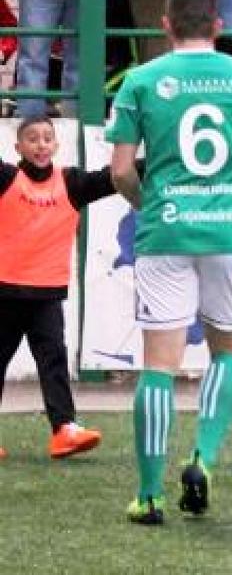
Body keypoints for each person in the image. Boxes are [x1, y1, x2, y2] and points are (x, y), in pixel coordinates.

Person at [108, 0, 232, 525]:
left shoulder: (141, 80)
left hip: (165, 233)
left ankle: (149, 495)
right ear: (218, 25)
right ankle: (203, 459)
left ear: (165, 25)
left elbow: (120, 171)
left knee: (158, 368)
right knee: (228, 353)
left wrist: (148, 204)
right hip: (228, 233)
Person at [0, 116, 119, 460]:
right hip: (4, 292)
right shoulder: (6, 178)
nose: (41, 145)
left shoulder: (71, 182)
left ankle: (64, 429)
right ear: (18, 147)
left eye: (47, 138)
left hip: (47, 296)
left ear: (56, 145)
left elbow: (112, 177)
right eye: (32, 139)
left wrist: (161, 153)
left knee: (54, 361)